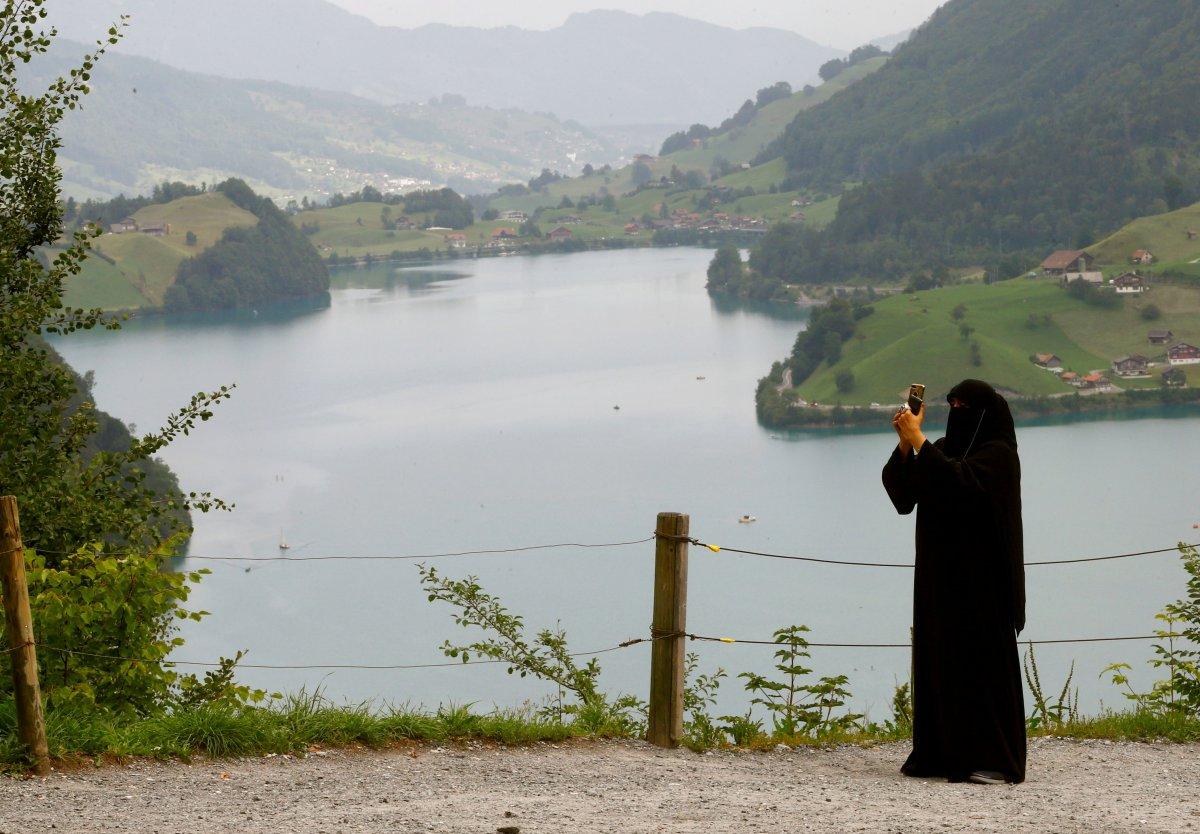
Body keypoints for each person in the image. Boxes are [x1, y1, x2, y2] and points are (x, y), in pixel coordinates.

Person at [882, 379, 1026, 785]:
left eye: (965, 405)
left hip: (984, 584)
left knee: (982, 668)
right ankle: (940, 753)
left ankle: (997, 760)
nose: (957, 411)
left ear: (985, 413)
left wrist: (922, 443)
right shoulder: (943, 449)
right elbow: (902, 495)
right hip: (939, 580)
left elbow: (961, 484)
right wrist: (907, 444)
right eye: (953, 404)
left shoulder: (999, 456)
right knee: (940, 662)